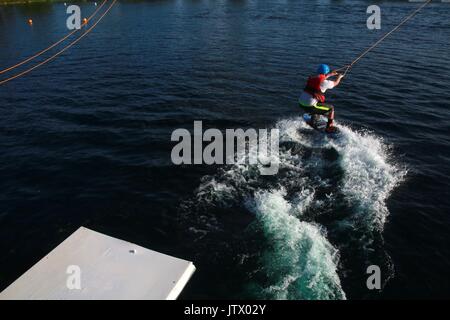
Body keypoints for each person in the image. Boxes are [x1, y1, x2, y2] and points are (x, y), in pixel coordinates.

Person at [299, 64, 344, 133]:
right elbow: (335, 83)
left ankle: (312, 120)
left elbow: (321, 78)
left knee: (318, 103)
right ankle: (329, 127)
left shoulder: (313, 78)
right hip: (309, 105)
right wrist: (339, 77)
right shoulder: (325, 83)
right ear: (326, 72)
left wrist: (330, 74)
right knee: (331, 108)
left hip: (301, 103)